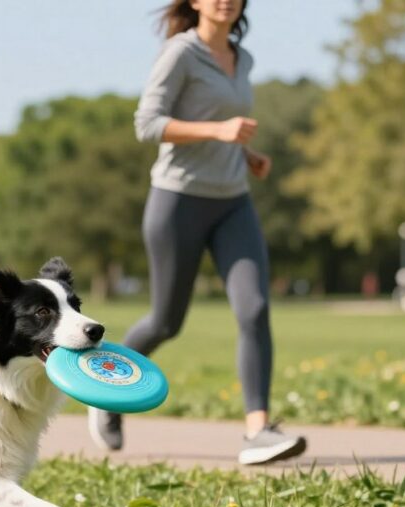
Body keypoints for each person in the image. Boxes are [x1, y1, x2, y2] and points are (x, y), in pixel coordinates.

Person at [88, 0, 307, 465]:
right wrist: (218, 131)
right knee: (167, 322)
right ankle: (103, 389)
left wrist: (247, 155)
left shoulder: (242, 57)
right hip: (177, 201)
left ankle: (258, 432)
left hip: (234, 202)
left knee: (254, 307)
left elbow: (227, 129)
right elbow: (147, 125)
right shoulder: (180, 53)